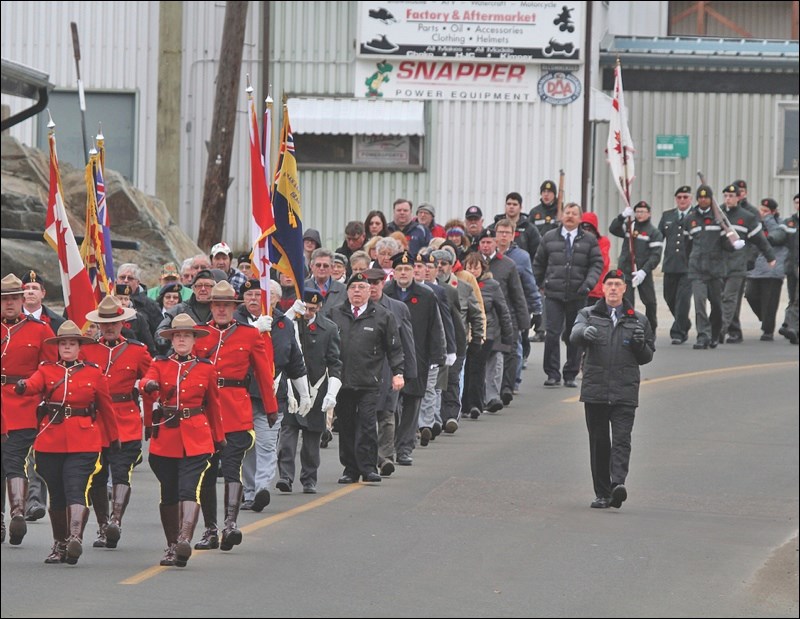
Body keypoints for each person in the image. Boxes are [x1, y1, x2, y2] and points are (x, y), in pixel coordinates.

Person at [15, 320, 118, 564]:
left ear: (79, 346)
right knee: (57, 495)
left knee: (76, 488)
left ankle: (74, 539)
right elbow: (33, 384)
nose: (68, 347)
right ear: (58, 346)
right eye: (64, 343)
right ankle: (59, 544)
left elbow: (106, 408)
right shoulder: (46, 370)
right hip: (51, 441)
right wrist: (22, 386)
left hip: (84, 441)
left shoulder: (93, 372)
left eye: (72, 343)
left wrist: (113, 439)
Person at [192, 281, 281, 552]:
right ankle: (210, 529)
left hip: (235, 409)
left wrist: (271, 408)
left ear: (233, 308)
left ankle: (230, 524)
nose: (221, 309)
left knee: (232, 467)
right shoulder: (198, 334)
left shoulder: (249, 335)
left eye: (226, 305)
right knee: (206, 472)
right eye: (217, 305)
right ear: (211, 307)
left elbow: (264, 372)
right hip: (205, 412)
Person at [141, 313, 225, 567]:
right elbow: (145, 380)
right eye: (177, 335)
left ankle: (183, 540)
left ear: (193, 340)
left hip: (196, 436)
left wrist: (219, 437)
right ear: (171, 339)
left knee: (189, 489)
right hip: (166, 436)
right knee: (169, 493)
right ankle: (170, 546)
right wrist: (149, 384)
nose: (181, 340)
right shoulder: (160, 364)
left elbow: (213, 405)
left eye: (186, 335)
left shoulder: (206, 368)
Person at [570, 269, 655, 510]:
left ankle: (618, 484)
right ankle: (602, 493)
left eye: (618, 284)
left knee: (621, 440)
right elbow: (574, 333)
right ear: (603, 288)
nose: (614, 288)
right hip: (596, 389)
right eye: (610, 284)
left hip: (625, 390)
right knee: (599, 442)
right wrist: (583, 333)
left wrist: (640, 345)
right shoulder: (588, 314)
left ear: (625, 289)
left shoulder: (638, 319)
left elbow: (647, 356)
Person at [82, 295, 153, 550]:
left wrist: (151, 420)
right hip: (96, 421)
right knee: (97, 476)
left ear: (123, 323)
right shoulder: (87, 350)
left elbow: (151, 382)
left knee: (122, 471)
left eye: (114, 322)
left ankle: (115, 520)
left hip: (126, 418)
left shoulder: (137, 351)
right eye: (105, 323)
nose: (109, 327)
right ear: (99, 325)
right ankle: (102, 527)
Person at [329, 273, 404, 482]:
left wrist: (398, 373)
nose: (357, 292)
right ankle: (350, 469)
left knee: (368, 424)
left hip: (369, 381)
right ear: (347, 290)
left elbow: (395, 348)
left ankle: (369, 467)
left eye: (362, 287)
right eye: (353, 287)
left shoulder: (382, 316)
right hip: (342, 381)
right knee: (346, 425)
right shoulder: (335, 314)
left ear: (369, 291)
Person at [1, 274, 55, 546]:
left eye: (13, 298)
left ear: (23, 300)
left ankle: (18, 512)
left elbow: (51, 370)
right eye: (4, 299)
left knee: (13, 460)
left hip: (23, 404)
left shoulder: (40, 329)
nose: (9, 303)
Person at [384, 251, 446, 466]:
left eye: (407, 269)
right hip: (390, 359)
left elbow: (435, 327)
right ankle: (388, 446)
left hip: (418, 357)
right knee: (391, 405)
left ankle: (405, 448)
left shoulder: (426, 295)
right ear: (393, 272)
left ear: (414, 271)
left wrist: (439, 355)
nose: (403, 273)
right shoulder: (385, 293)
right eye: (399, 269)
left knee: (412, 405)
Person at [533, 202, 603, 388]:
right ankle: (552, 373)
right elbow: (539, 263)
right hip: (553, 294)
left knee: (575, 334)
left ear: (580, 218)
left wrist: (588, 284)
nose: (570, 216)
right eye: (567, 212)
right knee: (552, 333)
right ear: (561, 216)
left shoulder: (588, 239)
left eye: (574, 213)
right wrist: (539, 284)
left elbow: (597, 264)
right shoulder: (549, 237)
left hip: (578, 294)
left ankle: (571, 373)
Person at [278, 290, 342, 493]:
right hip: (292, 387)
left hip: (316, 387)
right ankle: (285, 477)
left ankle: (309, 479)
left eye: (312, 309)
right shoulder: (290, 323)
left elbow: (334, 362)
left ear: (319, 308)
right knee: (288, 435)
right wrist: (288, 316)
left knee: (312, 438)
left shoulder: (328, 328)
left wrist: (332, 391)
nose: (307, 312)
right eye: (305, 307)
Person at [20, 270, 63, 521]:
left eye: (35, 287)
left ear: (43, 293)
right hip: (12, 396)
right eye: (26, 288)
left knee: (38, 448)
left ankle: (34, 499)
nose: (30, 292)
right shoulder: (7, 321)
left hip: (43, 396)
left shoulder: (55, 322)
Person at [718, 184, 776, 344]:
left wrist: (769, 256)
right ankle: (735, 331)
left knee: (729, 297)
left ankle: (720, 329)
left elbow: (760, 240)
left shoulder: (747, 216)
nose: (728, 199)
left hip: (738, 264)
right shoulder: (718, 214)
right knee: (722, 298)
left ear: (738, 197)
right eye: (726, 196)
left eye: (731, 196)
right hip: (719, 264)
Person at [608, 200, 664, 332]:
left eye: (643, 212)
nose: (639, 214)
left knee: (650, 302)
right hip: (626, 271)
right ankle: (627, 329)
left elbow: (655, 256)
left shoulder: (654, 232)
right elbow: (613, 229)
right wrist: (622, 216)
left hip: (642, 272)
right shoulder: (629, 226)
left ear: (649, 214)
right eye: (637, 211)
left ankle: (650, 329)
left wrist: (644, 271)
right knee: (627, 302)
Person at [745, 199, 788, 340]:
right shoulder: (756, 224)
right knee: (750, 295)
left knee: (769, 301)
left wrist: (768, 220)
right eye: (761, 210)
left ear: (774, 212)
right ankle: (765, 318)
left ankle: (768, 331)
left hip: (773, 269)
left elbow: (776, 237)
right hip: (756, 269)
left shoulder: (782, 224)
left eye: (766, 211)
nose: (762, 214)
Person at [657, 186, 694, 344]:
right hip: (670, 264)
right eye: (679, 197)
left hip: (689, 266)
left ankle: (678, 332)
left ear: (690, 199)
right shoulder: (668, 215)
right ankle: (684, 322)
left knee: (683, 300)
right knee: (669, 297)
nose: (682, 200)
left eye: (685, 197)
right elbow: (658, 237)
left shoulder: (696, 216)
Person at [305, 248, 348, 317]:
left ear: (332, 267)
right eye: (318, 265)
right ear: (311, 266)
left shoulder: (344, 290)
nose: (322, 268)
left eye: (325, 265)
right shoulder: (302, 287)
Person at [579, 212, 611, 306]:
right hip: (579, 291)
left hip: (596, 292)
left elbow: (601, 262)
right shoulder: (576, 242)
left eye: (589, 228)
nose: (586, 231)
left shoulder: (603, 242)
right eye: (583, 228)